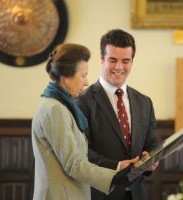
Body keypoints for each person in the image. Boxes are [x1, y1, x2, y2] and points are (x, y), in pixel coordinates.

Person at [31, 43, 140, 200]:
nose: (87, 82)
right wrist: (114, 177)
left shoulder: (59, 105)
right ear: (66, 77)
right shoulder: (55, 109)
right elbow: (74, 164)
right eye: (83, 76)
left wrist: (117, 169)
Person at [76, 29, 159, 200]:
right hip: (100, 194)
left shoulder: (145, 102)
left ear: (132, 62)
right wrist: (117, 166)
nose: (119, 67)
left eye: (125, 61)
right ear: (102, 59)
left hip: (137, 194)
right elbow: (80, 152)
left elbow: (151, 145)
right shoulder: (81, 102)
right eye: (112, 60)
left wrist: (151, 158)